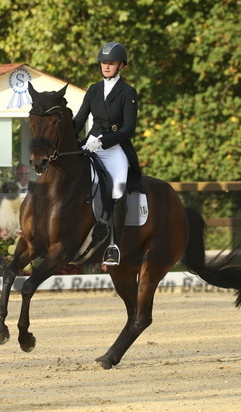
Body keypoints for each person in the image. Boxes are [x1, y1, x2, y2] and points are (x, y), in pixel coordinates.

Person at [73, 41, 142, 266]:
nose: (106, 66)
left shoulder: (128, 92)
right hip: (91, 145)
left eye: (111, 63)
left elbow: (129, 129)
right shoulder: (93, 89)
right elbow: (80, 119)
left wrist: (104, 141)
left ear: (121, 65)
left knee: (119, 188)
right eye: (103, 63)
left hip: (114, 149)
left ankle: (114, 245)